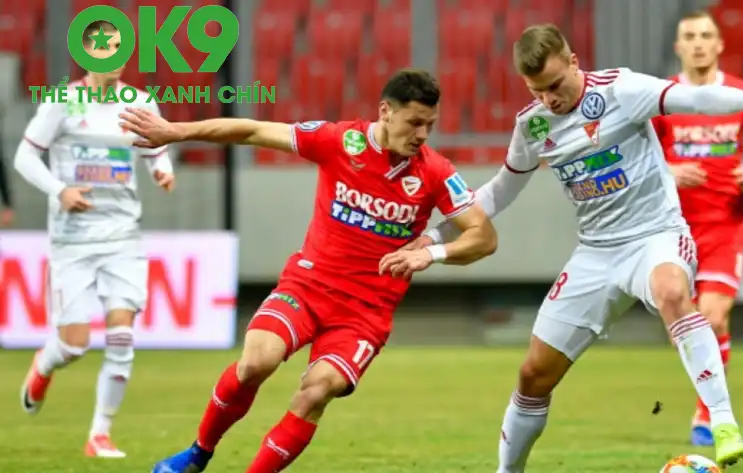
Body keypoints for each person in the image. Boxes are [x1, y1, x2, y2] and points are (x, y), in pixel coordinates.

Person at [418, 24, 743, 470]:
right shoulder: (532, 125)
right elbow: (498, 193)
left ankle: (723, 423)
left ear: (574, 62)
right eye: (537, 90)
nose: (549, 99)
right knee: (534, 375)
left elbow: (691, 98)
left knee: (672, 291)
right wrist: (434, 235)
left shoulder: (620, 90)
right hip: (595, 253)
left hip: (656, 235)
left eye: (555, 85)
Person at [118, 68, 498, 473]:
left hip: (365, 313)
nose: (422, 135)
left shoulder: (435, 172)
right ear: (386, 112)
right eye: (415, 122)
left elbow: (484, 236)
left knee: (315, 392)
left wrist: (433, 253)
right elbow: (252, 131)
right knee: (255, 363)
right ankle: (198, 454)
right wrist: (177, 132)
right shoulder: (340, 140)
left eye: (430, 125)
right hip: (308, 285)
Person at [14, 20, 175, 458]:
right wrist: (60, 191)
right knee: (74, 343)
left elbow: (155, 150)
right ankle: (45, 363)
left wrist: (162, 171)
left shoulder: (140, 103)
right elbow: (25, 156)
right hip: (73, 240)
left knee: (122, 337)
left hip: (123, 236)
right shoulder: (63, 102)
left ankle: (99, 434)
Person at [650, 10, 743, 446]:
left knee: (713, 315)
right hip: (671, 228)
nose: (699, 43)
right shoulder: (661, 99)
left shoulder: (741, 94)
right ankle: (712, 400)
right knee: (689, 333)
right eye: (690, 36)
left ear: (720, 44)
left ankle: (707, 414)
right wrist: (670, 171)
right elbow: (641, 157)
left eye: (706, 35)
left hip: (725, 222)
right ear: (678, 46)